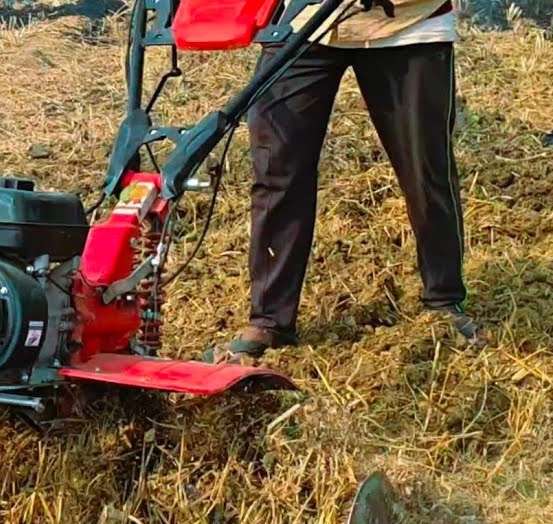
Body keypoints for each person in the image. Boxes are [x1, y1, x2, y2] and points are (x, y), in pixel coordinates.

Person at [206, 0, 485, 364]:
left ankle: (443, 299)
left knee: (424, 167)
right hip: (302, 20)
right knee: (278, 166)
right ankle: (269, 320)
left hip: (407, 22)